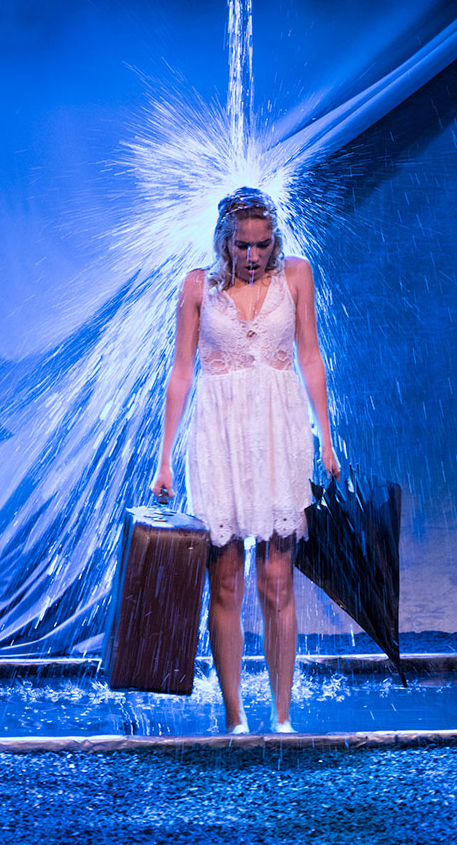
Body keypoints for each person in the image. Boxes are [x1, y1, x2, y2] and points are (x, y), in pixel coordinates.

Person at [152, 187, 339, 734]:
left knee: (277, 581)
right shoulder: (197, 287)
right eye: (242, 246)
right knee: (226, 581)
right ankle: (234, 719)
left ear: (274, 239)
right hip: (219, 439)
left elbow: (310, 357)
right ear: (225, 242)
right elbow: (181, 375)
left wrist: (326, 439)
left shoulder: (297, 276)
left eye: (261, 245)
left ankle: (282, 719)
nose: (253, 256)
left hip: (280, 435)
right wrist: (164, 460)